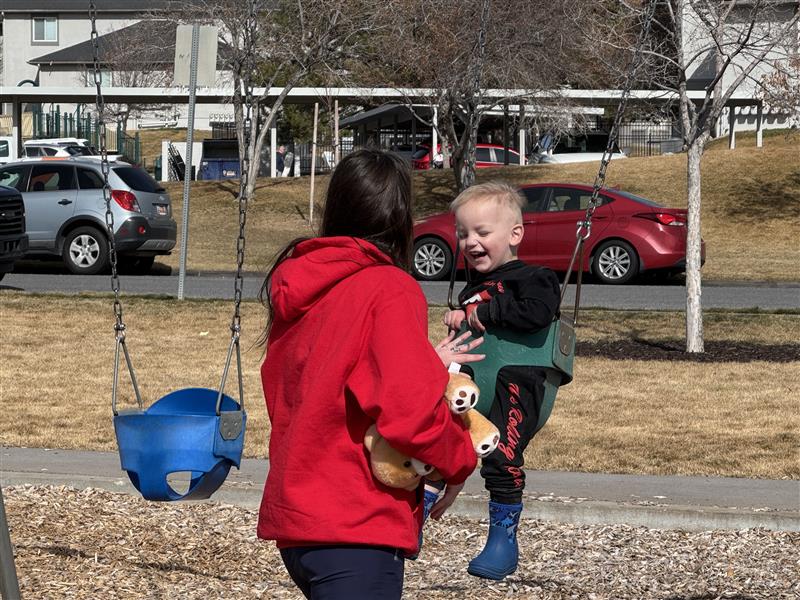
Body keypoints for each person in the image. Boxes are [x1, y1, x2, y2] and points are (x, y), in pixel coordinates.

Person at [256, 148, 484, 599]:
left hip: (301, 522)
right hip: (356, 521)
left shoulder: (301, 284)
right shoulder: (389, 287)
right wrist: (459, 459)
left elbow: (320, 378)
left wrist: (424, 365)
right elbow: (408, 414)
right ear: (401, 220)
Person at [441, 181, 561, 581]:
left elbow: (539, 312)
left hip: (519, 379)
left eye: (481, 232)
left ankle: (503, 538)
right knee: (436, 434)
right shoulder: (472, 286)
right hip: (477, 378)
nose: (470, 241)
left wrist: (482, 314)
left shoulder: (535, 277)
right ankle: (416, 507)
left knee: (501, 452)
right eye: (463, 233)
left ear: (514, 235)